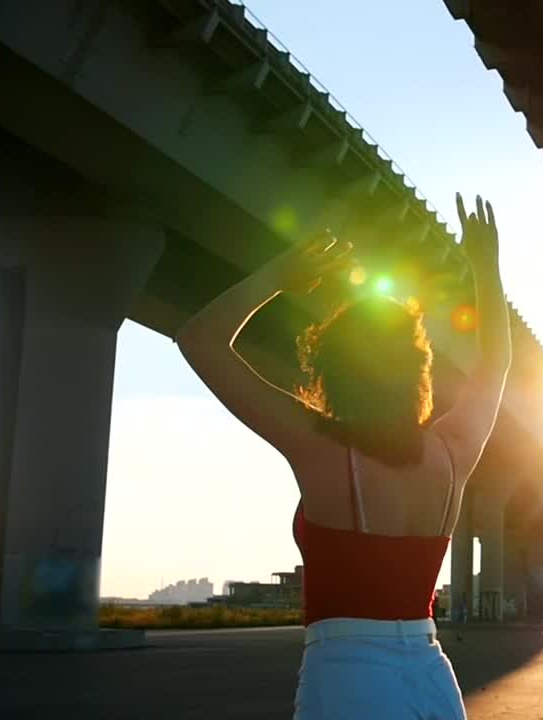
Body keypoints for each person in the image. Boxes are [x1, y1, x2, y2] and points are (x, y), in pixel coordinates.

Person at [177, 194, 510, 720]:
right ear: (417, 369)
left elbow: (200, 338)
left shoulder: (322, 447)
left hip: (349, 676)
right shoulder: (453, 453)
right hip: (433, 676)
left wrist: (280, 276)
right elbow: (494, 363)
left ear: (329, 370)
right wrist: (485, 270)